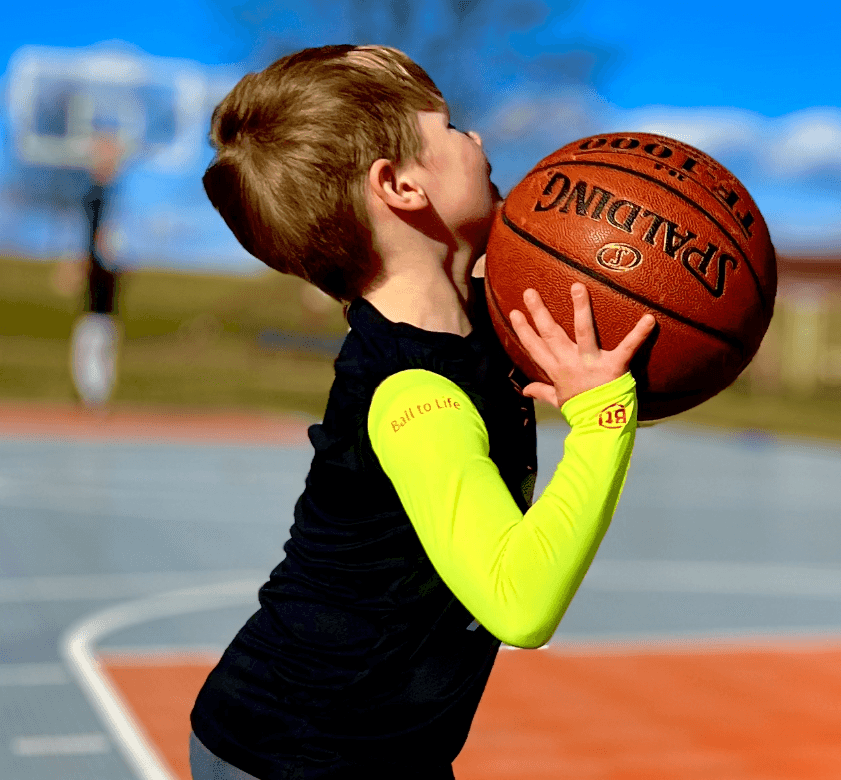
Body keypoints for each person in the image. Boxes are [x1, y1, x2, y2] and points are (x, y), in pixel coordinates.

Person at [188, 44, 657, 780]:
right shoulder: (413, 391)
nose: (477, 139)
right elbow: (519, 601)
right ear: (400, 184)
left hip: (375, 748)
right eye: (451, 128)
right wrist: (601, 420)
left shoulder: (480, 318)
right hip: (297, 753)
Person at [69, 131, 123, 409]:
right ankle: (92, 390)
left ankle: (96, 391)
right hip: (97, 269)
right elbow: (89, 237)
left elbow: (110, 238)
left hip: (106, 271)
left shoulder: (117, 194)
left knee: (100, 329)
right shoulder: (93, 195)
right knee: (93, 328)